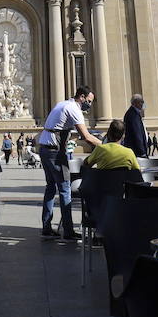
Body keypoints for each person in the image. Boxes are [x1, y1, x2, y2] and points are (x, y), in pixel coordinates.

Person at [37, 86, 103, 241]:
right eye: (89, 101)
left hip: (45, 149)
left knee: (50, 187)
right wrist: (107, 146)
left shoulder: (62, 104)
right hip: (54, 153)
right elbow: (86, 136)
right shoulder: (74, 108)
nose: (89, 104)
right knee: (65, 189)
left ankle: (46, 227)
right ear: (81, 96)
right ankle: (68, 231)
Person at [122, 94, 149, 159]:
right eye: (141, 101)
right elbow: (137, 134)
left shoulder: (135, 113)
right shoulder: (133, 115)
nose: (142, 104)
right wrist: (142, 152)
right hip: (136, 151)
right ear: (135, 103)